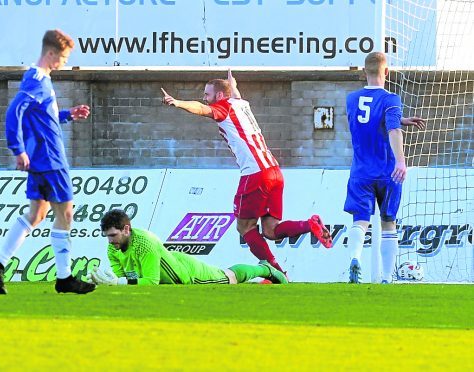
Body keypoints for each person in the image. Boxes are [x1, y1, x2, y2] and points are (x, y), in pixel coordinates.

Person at [161, 70, 332, 275]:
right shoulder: (241, 104)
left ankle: (276, 271)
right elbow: (236, 94)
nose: (204, 99)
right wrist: (233, 84)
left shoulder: (223, 107)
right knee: (270, 230)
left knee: (245, 227)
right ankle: (309, 224)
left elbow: (200, 109)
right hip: (274, 171)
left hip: (256, 175)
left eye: (207, 95)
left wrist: (177, 102)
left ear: (220, 97)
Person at [0, 29, 95, 295]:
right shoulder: (36, 79)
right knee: (65, 214)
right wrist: (17, 149)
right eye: (64, 57)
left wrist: (68, 114)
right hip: (50, 159)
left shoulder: (39, 78)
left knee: (38, 214)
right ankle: (65, 277)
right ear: (51, 53)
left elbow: (43, 116)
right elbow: (14, 112)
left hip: (40, 158)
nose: (65, 62)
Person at [344, 51, 426, 284]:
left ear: (364, 72)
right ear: (386, 72)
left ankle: (354, 258)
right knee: (388, 222)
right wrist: (401, 160)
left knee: (360, 220)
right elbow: (393, 130)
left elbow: (368, 118)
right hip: (388, 171)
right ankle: (387, 278)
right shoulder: (391, 99)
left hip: (360, 172)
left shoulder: (351, 99)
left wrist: (400, 118)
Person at [87, 209, 288, 286]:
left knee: (229, 278)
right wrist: (114, 282)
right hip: (172, 264)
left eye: (113, 235)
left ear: (126, 229)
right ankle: (257, 282)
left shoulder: (145, 242)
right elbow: (126, 277)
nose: (110, 241)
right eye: (107, 236)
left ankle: (265, 269)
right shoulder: (113, 247)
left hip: (186, 274)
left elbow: (151, 281)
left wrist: (119, 283)